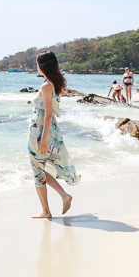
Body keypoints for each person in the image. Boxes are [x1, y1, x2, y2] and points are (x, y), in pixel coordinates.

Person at [28, 51, 80, 219]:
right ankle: (62, 197)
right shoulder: (54, 84)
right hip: (47, 130)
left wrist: (43, 140)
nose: (36, 66)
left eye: (37, 64)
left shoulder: (46, 86)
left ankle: (47, 210)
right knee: (39, 168)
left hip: (40, 132)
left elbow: (48, 114)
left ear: (42, 66)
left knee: (37, 169)